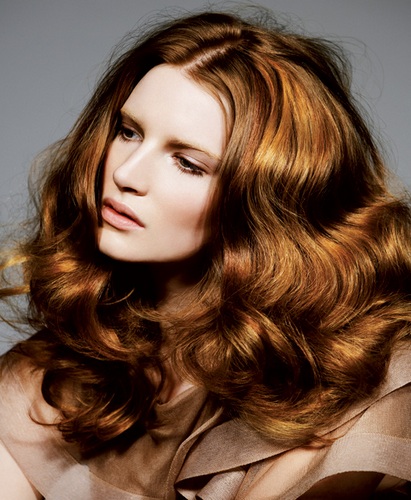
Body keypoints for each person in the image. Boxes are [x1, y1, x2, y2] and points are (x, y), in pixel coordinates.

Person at [0, 9, 410, 499]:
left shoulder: (359, 389)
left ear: (269, 199)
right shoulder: (43, 381)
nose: (126, 173)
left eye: (188, 163)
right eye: (128, 131)